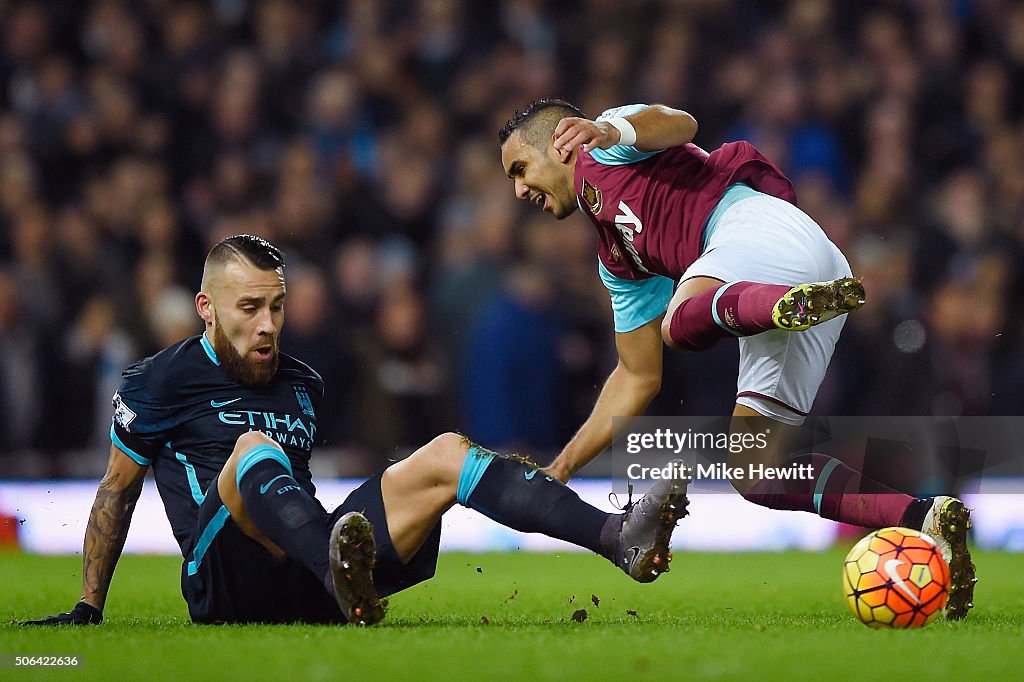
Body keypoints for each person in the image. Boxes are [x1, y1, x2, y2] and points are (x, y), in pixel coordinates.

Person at [24, 235, 687, 627]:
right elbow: (117, 490)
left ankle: (615, 538)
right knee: (255, 449)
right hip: (224, 579)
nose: (267, 324)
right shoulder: (158, 379)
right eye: (249, 308)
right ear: (207, 308)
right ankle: (340, 577)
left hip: (315, 564)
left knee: (446, 452)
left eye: (276, 307)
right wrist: (88, 607)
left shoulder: (305, 380)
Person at [498, 99, 976, 620]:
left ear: (560, 143)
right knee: (755, 472)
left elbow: (683, 123)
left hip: (756, 229)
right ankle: (926, 515)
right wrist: (562, 467)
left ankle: (777, 305)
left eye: (520, 169)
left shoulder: (602, 146)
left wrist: (608, 128)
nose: (519, 190)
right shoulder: (618, 258)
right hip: (807, 271)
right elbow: (637, 376)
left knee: (678, 324)